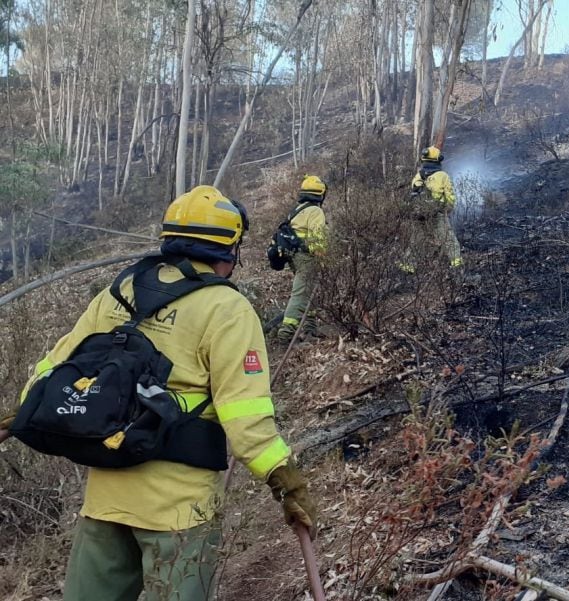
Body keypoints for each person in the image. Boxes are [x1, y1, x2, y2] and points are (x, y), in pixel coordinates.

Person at [1, 185, 315, 601]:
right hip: (179, 511)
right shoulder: (226, 309)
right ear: (229, 250)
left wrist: (17, 415)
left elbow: (55, 369)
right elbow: (246, 416)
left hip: (104, 500)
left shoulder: (118, 292)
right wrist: (286, 483)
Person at [278, 175, 328, 342]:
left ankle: (310, 328)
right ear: (320, 194)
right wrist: (322, 257)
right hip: (306, 257)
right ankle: (286, 334)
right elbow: (317, 238)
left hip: (294, 256)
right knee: (300, 294)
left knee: (307, 292)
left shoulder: (298, 210)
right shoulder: (315, 211)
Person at [409, 146, 462, 270]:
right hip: (436, 214)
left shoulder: (418, 175)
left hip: (419, 214)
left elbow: (413, 192)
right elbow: (450, 195)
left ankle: (408, 265)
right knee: (448, 239)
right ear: (437, 160)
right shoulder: (443, 176)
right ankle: (456, 264)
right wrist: (449, 208)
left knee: (417, 240)